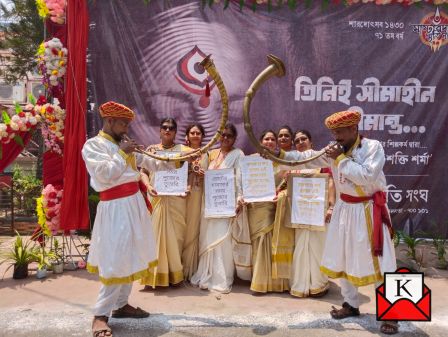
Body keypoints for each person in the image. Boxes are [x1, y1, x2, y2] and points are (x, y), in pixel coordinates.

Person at [271, 110, 397, 335]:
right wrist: (278, 153)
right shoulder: (333, 149)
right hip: (344, 210)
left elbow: (366, 176)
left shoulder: (373, 147)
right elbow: (305, 158)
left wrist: (339, 158)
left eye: (340, 132)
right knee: (343, 257)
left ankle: (392, 313)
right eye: (333, 132)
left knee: (381, 262)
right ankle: (351, 304)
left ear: (353, 129)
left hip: (369, 211)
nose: (336, 136)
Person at [82, 101, 175, 337]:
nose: (125, 128)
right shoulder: (93, 146)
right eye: (122, 123)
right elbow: (104, 174)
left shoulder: (123, 144)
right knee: (116, 258)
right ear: (109, 121)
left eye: (127, 124)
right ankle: (100, 315)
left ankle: (121, 305)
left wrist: (177, 160)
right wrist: (123, 152)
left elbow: (149, 163)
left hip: (134, 205)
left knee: (132, 254)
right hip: (114, 208)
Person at [191, 123, 250, 293]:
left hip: (227, 204)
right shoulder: (212, 154)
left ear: (234, 139)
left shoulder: (238, 154)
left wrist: (239, 198)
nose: (225, 138)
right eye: (222, 135)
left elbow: (239, 177)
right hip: (210, 204)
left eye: (229, 136)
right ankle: (206, 273)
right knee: (208, 238)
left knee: (223, 241)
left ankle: (221, 277)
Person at [140, 118, 189, 289]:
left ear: (175, 132)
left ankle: (175, 276)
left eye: (171, 128)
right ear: (160, 131)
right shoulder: (151, 150)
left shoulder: (183, 151)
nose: (168, 130)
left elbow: (190, 171)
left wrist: (187, 187)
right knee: (153, 237)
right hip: (156, 197)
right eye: (165, 127)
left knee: (175, 238)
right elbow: (143, 172)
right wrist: (148, 185)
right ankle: (151, 277)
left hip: (176, 200)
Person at [289, 130, 335, 298]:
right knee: (300, 247)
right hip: (300, 213)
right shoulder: (293, 163)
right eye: (297, 141)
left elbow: (330, 182)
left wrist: (331, 206)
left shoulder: (320, 160)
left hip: (319, 212)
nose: (300, 142)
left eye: (304, 139)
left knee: (317, 247)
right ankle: (300, 285)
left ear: (311, 141)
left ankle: (318, 285)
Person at [246, 130, 289, 293]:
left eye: (272, 139)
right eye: (266, 139)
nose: (269, 141)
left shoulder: (282, 163)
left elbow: (287, 186)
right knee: (257, 243)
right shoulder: (251, 161)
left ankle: (270, 282)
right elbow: (243, 181)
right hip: (255, 207)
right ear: (260, 141)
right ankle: (259, 278)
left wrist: (280, 195)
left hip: (273, 208)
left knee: (269, 242)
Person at [183, 124, 208, 280]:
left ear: (203, 136)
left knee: (197, 228)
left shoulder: (209, 154)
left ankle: (192, 269)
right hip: (184, 195)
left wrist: (205, 173)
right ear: (187, 136)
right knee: (185, 229)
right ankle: (182, 267)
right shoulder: (181, 152)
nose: (195, 135)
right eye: (192, 133)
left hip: (201, 195)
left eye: (198, 133)